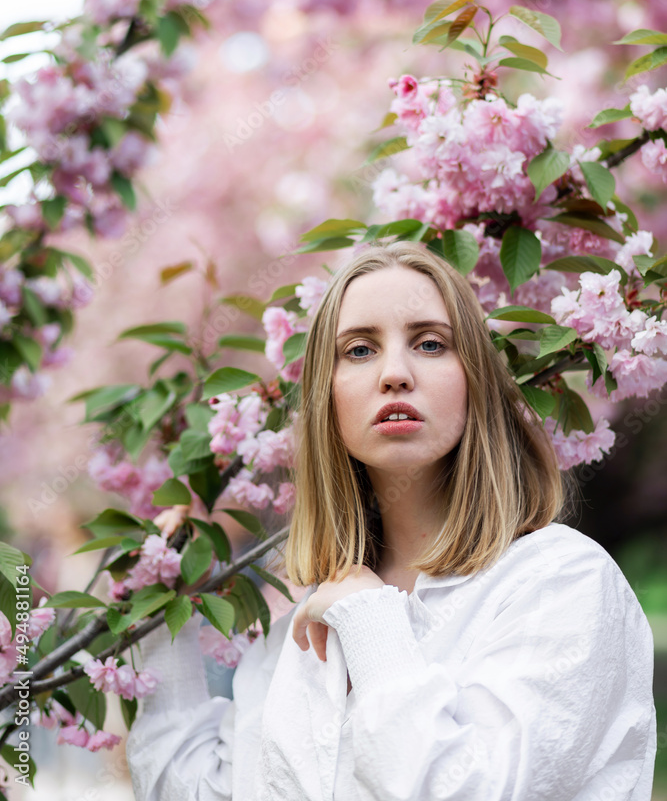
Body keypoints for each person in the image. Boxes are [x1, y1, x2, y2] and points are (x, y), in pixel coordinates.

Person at [126, 242, 657, 800]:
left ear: (475, 381)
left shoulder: (558, 583)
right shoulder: (301, 633)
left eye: (430, 344)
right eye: (358, 350)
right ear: (326, 398)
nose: (395, 374)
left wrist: (371, 621)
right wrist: (162, 614)